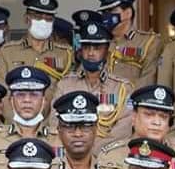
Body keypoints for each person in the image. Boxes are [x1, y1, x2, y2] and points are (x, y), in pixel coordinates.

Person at [97, 84, 175, 169]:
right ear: (133, 117)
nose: (156, 122)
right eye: (149, 115)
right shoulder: (110, 157)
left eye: (163, 117)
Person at [54, 19, 134, 148]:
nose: (91, 53)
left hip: (108, 155)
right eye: (86, 47)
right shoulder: (65, 85)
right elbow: (54, 123)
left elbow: (124, 129)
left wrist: (91, 149)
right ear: (80, 51)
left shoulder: (122, 88)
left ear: (107, 52)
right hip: (70, 152)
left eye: (97, 48)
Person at [0, 0, 73, 119]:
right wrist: (18, 122)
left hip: (52, 126)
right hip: (16, 124)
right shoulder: (8, 51)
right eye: (37, 17)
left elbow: (68, 91)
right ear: (26, 19)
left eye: (48, 18)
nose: (43, 21)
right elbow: (2, 92)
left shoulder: (66, 53)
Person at [49, 91, 121, 169]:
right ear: (59, 130)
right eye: (70, 127)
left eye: (85, 127)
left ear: (96, 129)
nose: (78, 134)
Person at [0, 66, 60, 169]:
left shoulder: (59, 138)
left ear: (44, 101)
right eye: (20, 95)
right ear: (10, 101)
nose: (27, 100)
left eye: (34, 95)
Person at [97, 0, 162, 87]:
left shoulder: (148, 42)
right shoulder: (98, 42)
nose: (107, 16)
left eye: (112, 11)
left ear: (128, 13)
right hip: (100, 100)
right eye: (104, 12)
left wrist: (121, 97)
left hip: (129, 100)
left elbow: (148, 81)